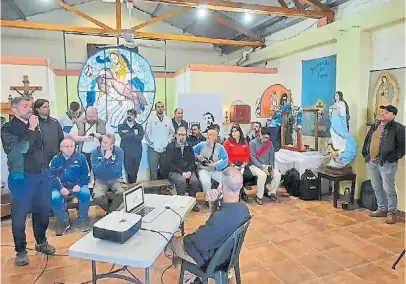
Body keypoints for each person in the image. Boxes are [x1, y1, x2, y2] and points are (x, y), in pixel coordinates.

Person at [166, 167, 250, 284]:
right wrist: (213, 203)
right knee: (181, 255)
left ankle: (191, 278)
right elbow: (218, 224)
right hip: (228, 255)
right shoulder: (243, 209)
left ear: (221, 185)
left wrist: (183, 240)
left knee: (169, 247)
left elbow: (198, 242)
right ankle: (191, 276)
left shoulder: (220, 219)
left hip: (214, 260)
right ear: (240, 186)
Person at [1, 97, 56, 266]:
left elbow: (40, 148)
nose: (29, 108)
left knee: (43, 211)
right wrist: (32, 129)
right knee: (19, 216)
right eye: (25, 106)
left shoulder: (36, 123)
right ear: (14, 110)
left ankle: (41, 242)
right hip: (22, 178)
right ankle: (21, 250)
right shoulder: (7, 129)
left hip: (42, 174)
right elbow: (21, 150)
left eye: (30, 106)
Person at [362, 105, 405, 224]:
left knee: (388, 188)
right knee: (376, 185)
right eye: (382, 111)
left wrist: (392, 157)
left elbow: (402, 147)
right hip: (372, 161)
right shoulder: (375, 126)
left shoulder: (398, 128)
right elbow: (368, 140)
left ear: (393, 115)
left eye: (386, 112)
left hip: (387, 164)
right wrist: (365, 153)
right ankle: (381, 208)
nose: (383, 114)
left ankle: (392, 213)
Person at [50, 137, 91, 236]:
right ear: (61, 148)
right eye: (66, 146)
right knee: (54, 197)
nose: (69, 148)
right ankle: (63, 221)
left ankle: (82, 219)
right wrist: (60, 188)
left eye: (71, 146)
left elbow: (87, 174)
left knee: (86, 194)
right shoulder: (55, 159)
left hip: (77, 185)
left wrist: (79, 185)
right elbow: (51, 176)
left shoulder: (81, 157)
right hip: (60, 186)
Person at [167, 126, 201, 212]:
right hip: (175, 171)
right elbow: (169, 164)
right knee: (181, 181)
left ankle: (192, 203)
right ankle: (181, 203)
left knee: (195, 181)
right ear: (176, 135)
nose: (182, 136)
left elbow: (192, 162)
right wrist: (182, 173)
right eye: (180, 134)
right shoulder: (171, 146)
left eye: (184, 135)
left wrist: (189, 171)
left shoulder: (189, 146)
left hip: (188, 170)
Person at [193, 129, 228, 211]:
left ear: (215, 137)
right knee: (206, 182)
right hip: (203, 169)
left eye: (211, 135)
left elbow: (225, 159)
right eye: (208, 134)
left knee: (224, 180)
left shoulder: (220, 147)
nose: (208, 136)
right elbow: (191, 151)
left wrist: (216, 165)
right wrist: (197, 156)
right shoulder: (201, 145)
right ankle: (207, 200)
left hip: (215, 169)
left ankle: (220, 199)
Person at [91, 134, 126, 213]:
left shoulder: (119, 151)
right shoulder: (95, 153)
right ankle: (111, 210)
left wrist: (104, 166)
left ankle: (110, 212)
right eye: (102, 141)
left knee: (122, 192)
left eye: (106, 143)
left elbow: (117, 170)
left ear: (112, 145)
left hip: (115, 178)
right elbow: (96, 171)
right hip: (101, 180)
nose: (102, 144)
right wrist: (105, 159)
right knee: (97, 197)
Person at [249, 127, 282, 205]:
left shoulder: (269, 144)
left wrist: (272, 168)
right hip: (255, 165)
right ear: (260, 134)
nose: (266, 139)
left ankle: (272, 193)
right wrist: (262, 168)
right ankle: (259, 196)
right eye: (264, 137)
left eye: (268, 138)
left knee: (277, 174)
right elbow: (252, 158)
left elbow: (271, 157)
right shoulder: (252, 143)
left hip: (266, 165)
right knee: (262, 175)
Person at [144, 101, 175, 180]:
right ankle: (153, 189)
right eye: (158, 107)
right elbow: (147, 134)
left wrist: (168, 141)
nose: (160, 108)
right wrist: (153, 143)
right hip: (153, 149)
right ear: (155, 108)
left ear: (164, 108)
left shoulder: (168, 119)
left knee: (164, 170)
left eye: (162, 107)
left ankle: (163, 189)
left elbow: (172, 132)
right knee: (153, 171)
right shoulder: (151, 119)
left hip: (165, 149)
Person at [223, 125, 251, 202]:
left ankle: (239, 191)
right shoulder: (227, 142)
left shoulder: (244, 142)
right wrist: (233, 165)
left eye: (236, 131)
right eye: (232, 131)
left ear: (240, 132)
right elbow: (225, 157)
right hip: (231, 164)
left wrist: (244, 164)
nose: (234, 133)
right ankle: (241, 192)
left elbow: (247, 155)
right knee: (236, 175)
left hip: (242, 164)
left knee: (247, 175)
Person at [33, 99, 64, 168]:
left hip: (55, 158)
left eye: (48, 106)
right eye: (45, 107)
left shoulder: (55, 122)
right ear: (37, 109)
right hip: (40, 161)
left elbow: (61, 139)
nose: (48, 109)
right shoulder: (33, 123)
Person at [118, 109, 144, 184]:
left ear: (135, 116)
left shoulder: (139, 127)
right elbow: (123, 137)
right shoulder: (121, 126)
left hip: (137, 152)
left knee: (135, 172)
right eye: (128, 114)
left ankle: (133, 187)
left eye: (131, 115)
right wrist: (134, 134)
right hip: (126, 152)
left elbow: (140, 138)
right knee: (128, 172)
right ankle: (130, 188)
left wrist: (128, 134)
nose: (129, 116)